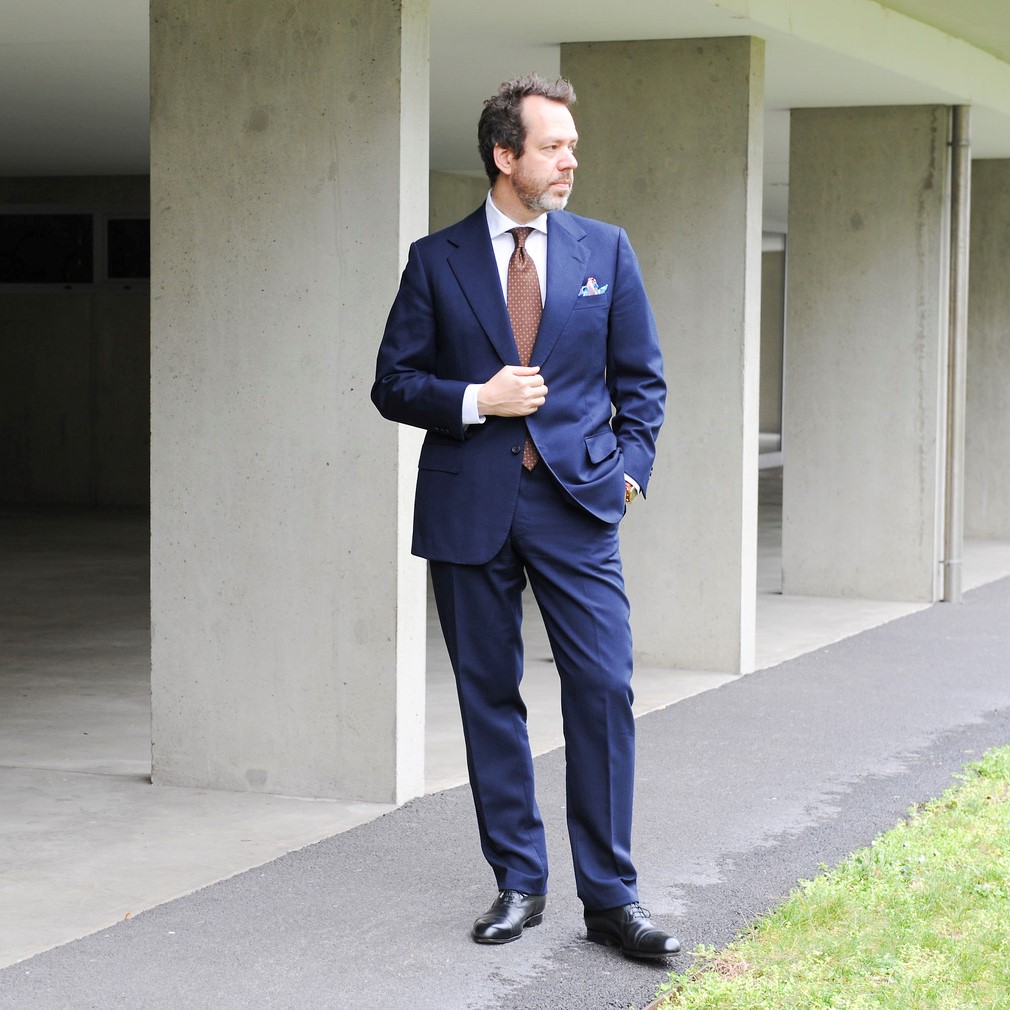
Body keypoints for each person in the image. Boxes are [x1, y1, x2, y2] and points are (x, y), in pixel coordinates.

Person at [371, 74, 678, 959]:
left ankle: (612, 899)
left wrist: (631, 473)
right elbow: (392, 383)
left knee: (603, 689)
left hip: (580, 503)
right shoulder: (438, 260)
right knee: (488, 699)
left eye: (572, 145)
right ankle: (519, 882)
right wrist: (478, 397)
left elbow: (642, 381)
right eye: (554, 146)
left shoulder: (605, 250)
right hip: (471, 507)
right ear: (506, 156)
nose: (570, 159)